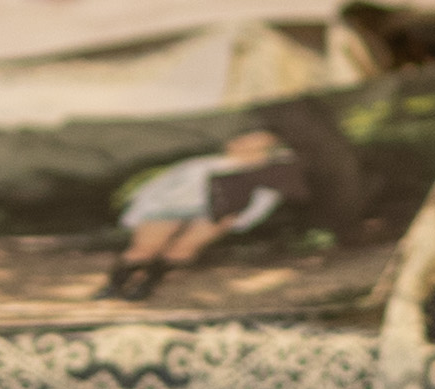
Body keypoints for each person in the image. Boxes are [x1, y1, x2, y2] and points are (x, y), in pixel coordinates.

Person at [102, 128, 310, 298]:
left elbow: (264, 200)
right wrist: (139, 210)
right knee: (143, 250)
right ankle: (114, 286)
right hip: (168, 208)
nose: (250, 148)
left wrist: (241, 220)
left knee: (183, 250)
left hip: (216, 212)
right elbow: (158, 186)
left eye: (261, 147)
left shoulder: (265, 173)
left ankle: (146, 286)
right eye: (246, 143)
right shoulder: (200, 166)